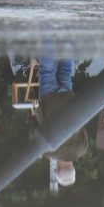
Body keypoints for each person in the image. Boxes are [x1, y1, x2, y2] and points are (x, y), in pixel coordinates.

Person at [33, 55, 87, 190]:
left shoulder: (82, 149)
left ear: (73, 168)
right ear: (57, 169)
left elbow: (82, 124)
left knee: (66, 69)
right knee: (47, 70)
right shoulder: (49, 152)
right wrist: (37, 111)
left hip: (68, 99)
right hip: (49, 101)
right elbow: (38, 129)